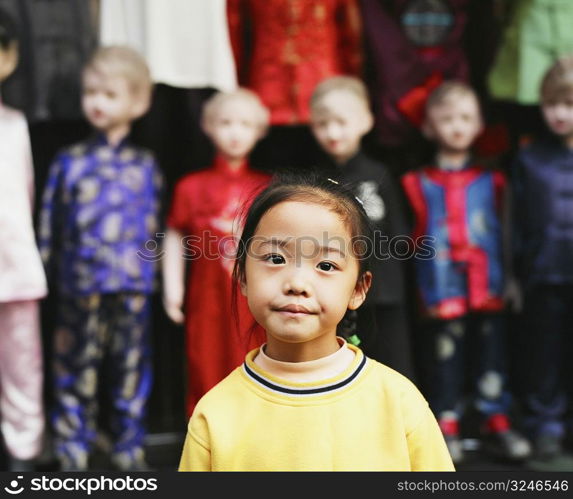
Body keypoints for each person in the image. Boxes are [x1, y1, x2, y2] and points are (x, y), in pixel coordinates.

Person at [178, 172, 455, 471]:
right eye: (275, 259)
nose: (297, 283)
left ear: (359, 289)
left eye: (326, 265)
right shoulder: (215, 413)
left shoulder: (399, 402)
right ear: (243, 275)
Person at [38, 46, 164, 471]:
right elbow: (49, 220)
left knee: (131, 365)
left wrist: (157, 275)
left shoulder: (146, 164)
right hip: (79, 282)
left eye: (109, 94)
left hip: (133, 283)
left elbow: (156, 225)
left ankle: (130, 445)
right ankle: (73, 444)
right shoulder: (69, 161)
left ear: (138, 103)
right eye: (91, 92)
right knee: (74, 363)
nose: (96, 102)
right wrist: (43, 267)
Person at [401, 81, 531, 464]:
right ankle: (446, 422)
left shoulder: (495, 181)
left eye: (465, 118)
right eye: (447, 119)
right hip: (439, 285)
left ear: (478, 125)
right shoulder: (414, 183)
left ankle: (496, 418)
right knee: (444, 356)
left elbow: (507, 235)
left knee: (493, 353)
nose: (457, 127)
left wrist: (510, 280)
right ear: (429, 127)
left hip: (487, 282)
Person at [162, 88, 270, 419]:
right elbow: (175, 236)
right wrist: (173, 290)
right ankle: (208, 445)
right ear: (208, 126)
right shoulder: (191, 187)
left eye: (245, 124)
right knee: (205, 361)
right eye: (225, 122)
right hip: (206, 297)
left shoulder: (269, 188)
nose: (235, 132)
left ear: (260, 131)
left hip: (257, 299)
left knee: (257, 363)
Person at [308, 75, 415, 381]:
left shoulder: (379, 174)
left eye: (342, 122)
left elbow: (399, 234)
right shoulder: (315, 180)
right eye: (322, 124)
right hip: (334, 292)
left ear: (366, 121)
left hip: (384, 292)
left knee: (392, 366)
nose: (332, 132)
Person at [512, 54, 573, 460]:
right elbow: (514, 221)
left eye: (569, 104)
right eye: (551, 103)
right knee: (545, 353)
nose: (559, 114)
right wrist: (514, 276)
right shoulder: (529, 158)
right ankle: (546, 423)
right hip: (545, 272)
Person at [0, 7, 47, 472]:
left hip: (14, 260)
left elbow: (27, 195)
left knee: (21, 359)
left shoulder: (16, 125)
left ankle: (24, 446)